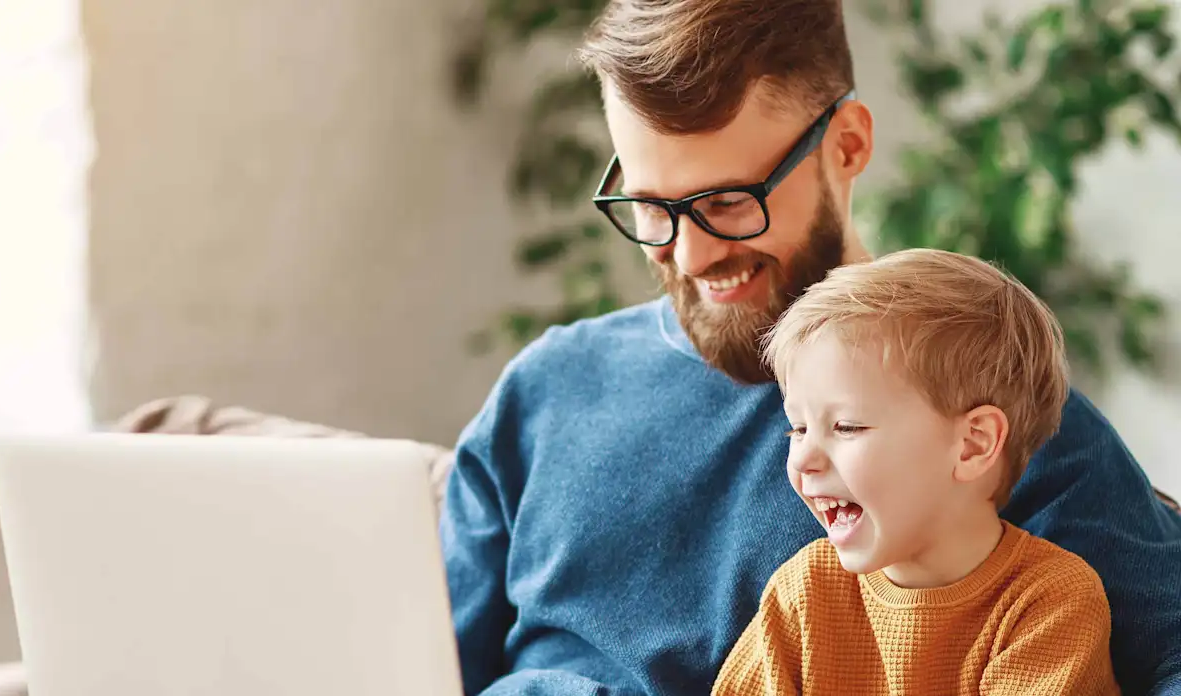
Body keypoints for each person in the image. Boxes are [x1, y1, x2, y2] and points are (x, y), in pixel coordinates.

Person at [437, 1, 1181, 694]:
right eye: (650, 206)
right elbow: (415, 665)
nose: (690, 255)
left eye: (728, 202)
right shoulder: (546, 391)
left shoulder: (978, 411)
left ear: (848, 145)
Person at [712, 249, 1117, 695]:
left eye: (846, 426)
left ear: (973, 444)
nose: (804, 459)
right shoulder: (803, 592)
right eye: (798, 429)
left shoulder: (1050, 604)